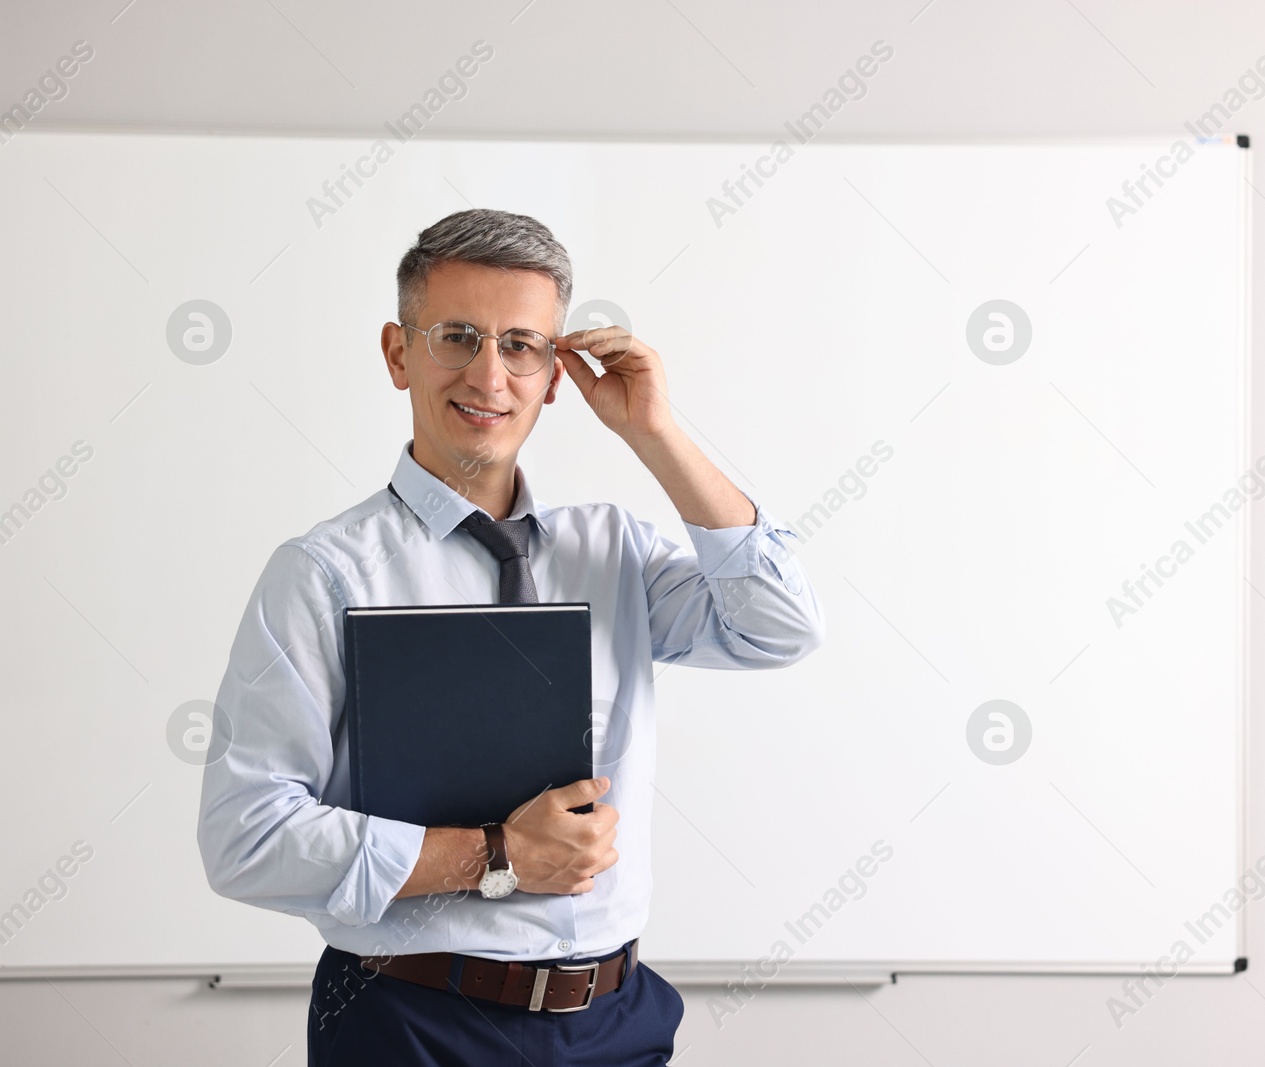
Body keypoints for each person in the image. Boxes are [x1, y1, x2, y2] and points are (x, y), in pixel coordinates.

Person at [195, 208, 825, 1066]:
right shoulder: (323, 574)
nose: (490, 374)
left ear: (555, 373)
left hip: (615, 1019)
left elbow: (780, 624)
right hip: (412, 1020)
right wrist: (494, 854)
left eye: (523, 345)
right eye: (458, 336)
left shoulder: (615, 552)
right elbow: (247, 836)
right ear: (398, 351)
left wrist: (656, 434)